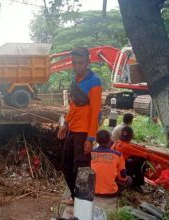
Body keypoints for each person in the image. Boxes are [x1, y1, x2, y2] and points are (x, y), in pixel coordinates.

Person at [57, 47, 102, 205]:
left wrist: (90, 138)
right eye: (74, 63)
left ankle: (84, 204)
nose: (77, 66)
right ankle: (76, 198)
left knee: (82, 169)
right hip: (73, 128)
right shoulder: (75, 81)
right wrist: (66, 124)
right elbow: (75, 105)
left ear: (88, 62)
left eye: (81, 63)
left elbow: (96, 112)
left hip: (84, 132)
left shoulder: (94, 82)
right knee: (66, 164)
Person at [91, 130, 132, 196]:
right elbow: (123, 176)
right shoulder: (117, 155)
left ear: (96, 140)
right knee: (129, 179)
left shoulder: (90, 153)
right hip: (111, 192)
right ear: (109, 140)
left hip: (91, 191)